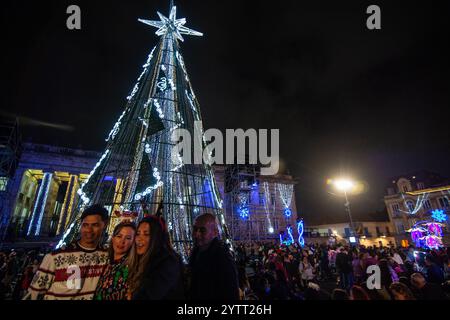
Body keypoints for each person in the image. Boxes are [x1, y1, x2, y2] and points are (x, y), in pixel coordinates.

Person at [24, 204, 109, 300]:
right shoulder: (56, 257)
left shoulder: (106, 256)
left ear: (104, 225)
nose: (89, 230)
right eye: (85, 225)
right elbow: (34, 293)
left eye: (95, 225)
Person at [130, 215, 184, 300]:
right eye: (138, 234)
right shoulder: (140, 259)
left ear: (156, 237)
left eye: (146, 234)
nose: (139, 239)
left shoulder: (169, 263)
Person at [188, 213, 239, 300]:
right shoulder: (196, 251)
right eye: (195, 229)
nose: (197, 234)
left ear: (215, 232)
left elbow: (230, 292)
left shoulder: (222, 257)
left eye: (202, 230)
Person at [94, 222, 137, 300]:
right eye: (119, 236)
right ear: (113, 238)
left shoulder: (132, 268)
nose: (122, 241)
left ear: (133, 242)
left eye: (128, 238)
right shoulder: (104, 261)